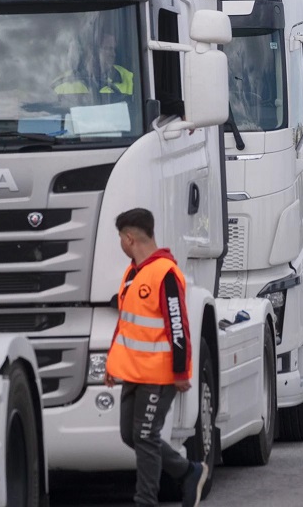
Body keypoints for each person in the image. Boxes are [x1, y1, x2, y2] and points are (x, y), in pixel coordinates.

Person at [105, 208, 207, 507]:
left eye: (120, 240)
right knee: (131, 435)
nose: (121, 245)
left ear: (129, 238)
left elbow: (178, 323)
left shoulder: (165, 273)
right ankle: (189, 471)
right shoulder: (132, 273)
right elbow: (127, 320)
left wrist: (180, 371)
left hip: (158, 374)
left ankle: (145, 501)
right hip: (133, 372)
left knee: (146, 436)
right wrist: (113, 364)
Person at [54, 32, 134, 95]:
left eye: (113, 49)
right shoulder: (65, 82)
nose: (113, 54)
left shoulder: (127, 77)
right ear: (92, 52)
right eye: (108, 49)